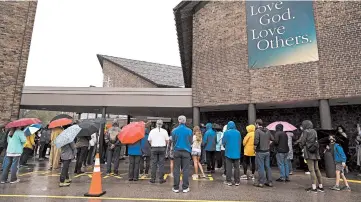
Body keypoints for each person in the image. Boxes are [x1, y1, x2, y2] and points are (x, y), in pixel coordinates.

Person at [299, 120, 324, 193]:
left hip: (309, 152)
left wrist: (301, 144)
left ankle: (314, 188)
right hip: (315, 152)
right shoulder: (314, 131)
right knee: (317, 169)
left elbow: (303, 142)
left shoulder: (305, 131)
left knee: (311, 170)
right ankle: (320, 186)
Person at [172, 115, 193, 193]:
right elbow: (191, 141)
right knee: (186, 170)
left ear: (178, 121)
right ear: (185, 121)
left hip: (177, 151)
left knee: (176, 170)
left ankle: (176, 187)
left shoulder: (174, 130)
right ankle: (185, 187)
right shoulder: (189, 131)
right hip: (186, 152)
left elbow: (173, 141)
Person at [253, 119, 274, 188]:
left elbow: (256, 141)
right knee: (267, 166)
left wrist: (254, 147)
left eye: (255, 124)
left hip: (260, 152)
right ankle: (269, 182)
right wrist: (268, 144)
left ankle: (261, 182)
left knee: (261, 167)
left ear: (257, 124)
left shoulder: (257, 131)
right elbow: (272, 139)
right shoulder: (267, 130)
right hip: (267, 151)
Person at [222, 121, 242, 186]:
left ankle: (229, 181)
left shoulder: (226, 133)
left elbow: (223, 143)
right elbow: (240, 141)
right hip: (237, 152)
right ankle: (237, 181)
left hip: (228, 152)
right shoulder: (238, 132)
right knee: (237, 168)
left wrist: (226, 146)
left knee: (229, 168)